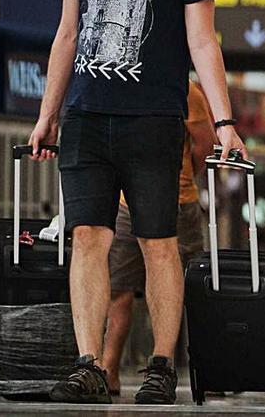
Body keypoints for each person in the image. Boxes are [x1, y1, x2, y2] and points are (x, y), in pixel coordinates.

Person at [28, 0, 246, 405]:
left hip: (153, 119)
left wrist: (223, 122)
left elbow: (203, 41)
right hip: (85, 117)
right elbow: (67, 36)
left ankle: (160, 363)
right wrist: (47, 114)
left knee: (159, 244)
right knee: (88, 238)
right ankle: (89, 363)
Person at [100, 80, 214, 395]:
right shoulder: (182, 89)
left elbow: (204, 144)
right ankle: (114, 369)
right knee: (131, 290)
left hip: (154, 201)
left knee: (130, 290)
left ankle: (114, 368)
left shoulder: (178, 89)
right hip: (150, 200)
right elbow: (205, 144)